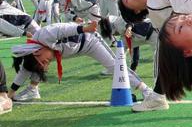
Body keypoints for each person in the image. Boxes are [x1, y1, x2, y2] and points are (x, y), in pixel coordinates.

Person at [8, 20, 153, 102]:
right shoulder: (37, 53)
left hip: (90, 42)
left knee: (115, 65)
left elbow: (63, 29)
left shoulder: (44, 35)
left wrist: (85, 28)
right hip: (72, 49)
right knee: (35, 67)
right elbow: (25, 70)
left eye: (44, 61)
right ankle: (33, 90)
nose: (47, 63)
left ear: (37, 51)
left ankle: (146, 91)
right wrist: (9, 95)